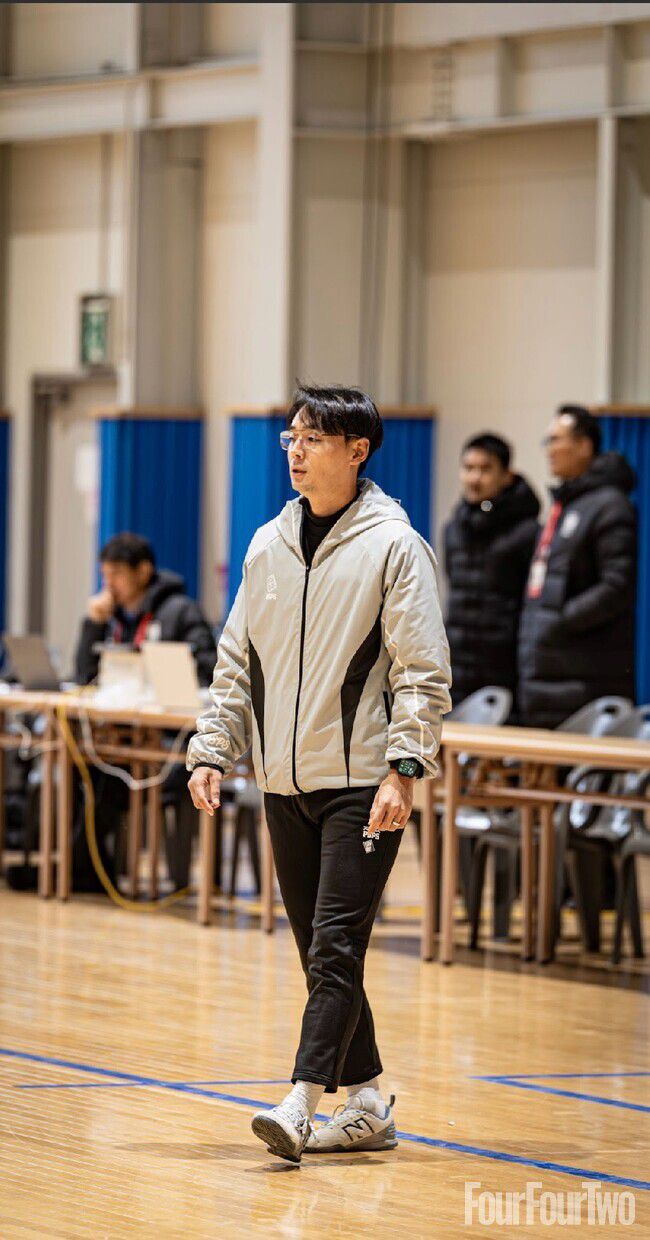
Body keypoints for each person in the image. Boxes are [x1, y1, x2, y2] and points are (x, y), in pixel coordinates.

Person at [187, 383, 451, 1163]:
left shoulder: (395, 547)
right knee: (319, 951)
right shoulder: (267, 545)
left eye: (313, 438)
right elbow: (236, 660)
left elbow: (423, 670)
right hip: (283, 783)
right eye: (290, 438)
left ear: (357, 451)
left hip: (362, 783)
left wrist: (404, 769)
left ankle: (300, 1105)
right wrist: (212, 747)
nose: (296, 451)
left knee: (335, 946)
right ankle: (368, 1105)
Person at [518, 405, 636, 729]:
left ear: (584, 446)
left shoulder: (610, 505)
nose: (549, 450)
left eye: (556, 440)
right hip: (548, 673)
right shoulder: (565, 505)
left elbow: (617, 587)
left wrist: (560, 620)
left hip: (585, 677)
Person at [443, 433, 540, 711]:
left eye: (485, 469)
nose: (475, 478)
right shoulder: (453, 529)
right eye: (468, 468)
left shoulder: (528, 532)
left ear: (507, 476)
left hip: (506, 666)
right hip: (458, 664)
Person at [75, 532, 216, 687]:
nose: (108, 583)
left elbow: (208, 674)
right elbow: (85, 680)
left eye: (116, 574)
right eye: (105, 575)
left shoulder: (182, 611)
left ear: (143, 571)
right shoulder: (113, 618)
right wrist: (95, 625)